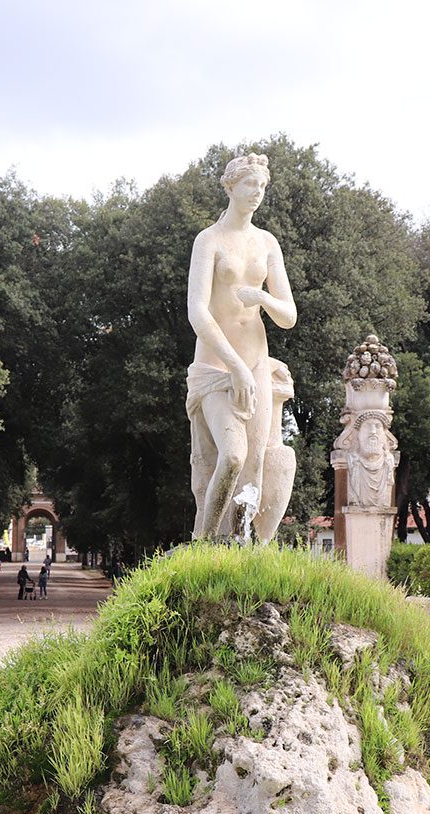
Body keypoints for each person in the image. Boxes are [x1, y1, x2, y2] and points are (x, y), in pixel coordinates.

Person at [186, 153, 297, 542]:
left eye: (263, 187)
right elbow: (197, 312)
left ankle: (240, 548)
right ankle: (203, 544)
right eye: (250, 184)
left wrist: (263, 299)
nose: (257, 193)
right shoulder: (209, 240)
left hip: (257, 362)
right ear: (231, 186)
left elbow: (289, 316)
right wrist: (234, 367)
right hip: (217, 367)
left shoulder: (267, 243)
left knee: (255, 464)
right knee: (232, 455)